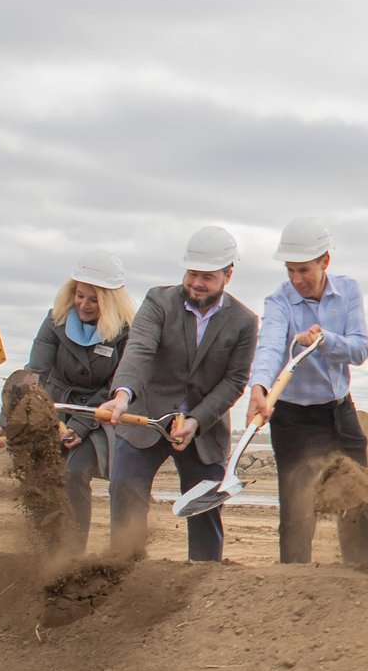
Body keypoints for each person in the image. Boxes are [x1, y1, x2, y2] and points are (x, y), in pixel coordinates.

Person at [97, 226, 258, 562]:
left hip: (203, 429)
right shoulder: (158, 301)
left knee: (204, 509)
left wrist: (196, 421)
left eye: (207, 277)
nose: (196, 283)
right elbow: (139, 350)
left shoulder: (244, 321)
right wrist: (123, 394)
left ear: (228, 276)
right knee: (125, 490)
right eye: (192, 274)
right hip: (146, 417)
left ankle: (203, 577)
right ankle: (123, 569)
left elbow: (234, 381)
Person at [245, 216, 368, 568]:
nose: (296, 279)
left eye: (304, 270)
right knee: (297, 511)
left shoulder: (349, 291)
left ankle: (361, 576)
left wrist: (325, 340)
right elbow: (271, 346)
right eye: (290, 270)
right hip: (293, 419)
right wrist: (259, 387)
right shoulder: (279, 302)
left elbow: (360, 350)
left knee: (355, 499)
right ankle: (293, 581)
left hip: (340, 412)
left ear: (325, 261)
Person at [0, 250, 137, 553]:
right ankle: (45, 548)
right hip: (54, 409)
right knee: (42, 476)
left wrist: (79, 426)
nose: (84, 304)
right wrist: (3, 423)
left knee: (74, 473)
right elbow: (35, 373)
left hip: (99, 415)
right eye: (79, 295)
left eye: (93, 300)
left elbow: (114, 385)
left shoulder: (126, 332)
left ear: (110, 301)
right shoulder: (55, 320)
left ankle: (72, 555)